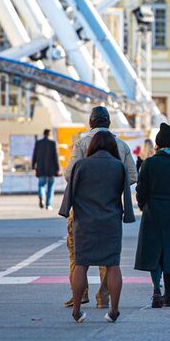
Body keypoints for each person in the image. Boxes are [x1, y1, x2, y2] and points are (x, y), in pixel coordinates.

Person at [63, 106, 137, 309]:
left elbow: (70, 175)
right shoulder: (121, 145)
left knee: (77, 255)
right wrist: (112, 186)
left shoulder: (81, 143)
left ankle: (80, 294)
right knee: (110, 258)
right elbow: (132, 175)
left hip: (82, 210)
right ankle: (104, 298)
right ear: (109, 123)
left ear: (90, 123)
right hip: (110, 209)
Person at [134, 123, 170, 308]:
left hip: (152, 212)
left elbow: (140, 190)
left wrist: (144, 206)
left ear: (158, 144)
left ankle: (156, 290)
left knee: (153, 252)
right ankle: (167, 295)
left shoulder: (148, 163)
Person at [32, 129, 61, 210]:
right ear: (50, 134)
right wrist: (58, 168)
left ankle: (41, 195)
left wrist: (33, 167)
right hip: (51, 169)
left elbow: (34, 155)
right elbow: (56, 157)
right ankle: (48, 205)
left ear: (43, 134)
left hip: (40, 168)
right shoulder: (53, 143)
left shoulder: (38, 142)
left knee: (41, 184)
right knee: (50, 187)